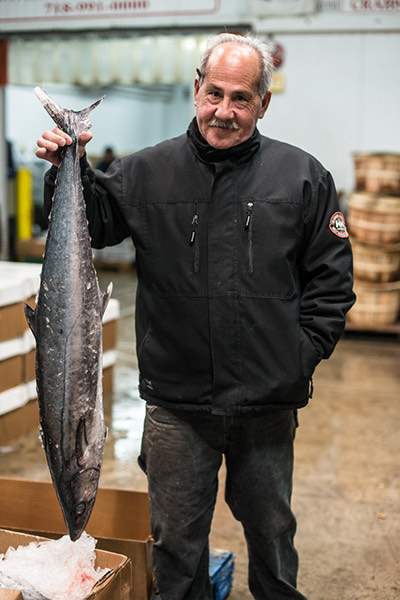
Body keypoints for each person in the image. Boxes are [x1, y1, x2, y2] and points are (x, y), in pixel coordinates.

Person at [36, 33, 355, 600]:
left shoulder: (303, 177)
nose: (223, 112)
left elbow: (332, 284)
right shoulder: (145, 172)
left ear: (263, 103)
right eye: (214, 94)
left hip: (266, 404)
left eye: (240, 98)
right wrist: (65, 165)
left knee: (274, 540)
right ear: (195, 89)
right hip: (176, 408)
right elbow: (94, 224)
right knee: (176, 549)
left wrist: (297, 358)